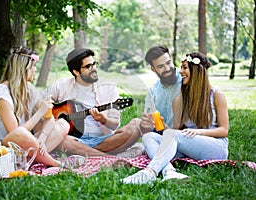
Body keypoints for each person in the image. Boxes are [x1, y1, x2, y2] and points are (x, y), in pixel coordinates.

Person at [121, 52, 229, 184]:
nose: (181, 72)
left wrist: (198, 132)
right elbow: (174, 131)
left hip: (215, 147)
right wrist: (160, 125)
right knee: (148, 137)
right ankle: (169, 172)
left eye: (185, 67)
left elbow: (224, 130)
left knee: (173, 135)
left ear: (196, 70)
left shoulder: (217, 95)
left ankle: (150, 172)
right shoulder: (179, 99)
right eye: (181, 68)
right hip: (190, 147)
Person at [0, 46, 85, 168]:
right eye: (33, 66)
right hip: (4, 148)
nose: (35, 70)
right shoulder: (2, 93)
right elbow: (15, 134)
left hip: (25, 147)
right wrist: (39, 113)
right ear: (23, 69)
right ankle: (58, 164)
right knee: (22, 133)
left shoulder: (28, 89)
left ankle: (31, 159)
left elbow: (50, 118)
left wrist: (42, 138)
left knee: (63, 124)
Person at [42, 48, 143, 157]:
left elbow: (114, 124)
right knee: (61, 139)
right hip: (72, 139)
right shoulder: (61, 86)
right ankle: (109, 158)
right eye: (88, 66)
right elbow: (39, 104)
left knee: (136, 125)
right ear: (76, 72)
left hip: (103, 140)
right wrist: (51, 120)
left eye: (94, 64)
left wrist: (103, 119)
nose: (93, 68)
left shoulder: (109, 88)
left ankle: (86, 153)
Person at [139, 45, 182, 135]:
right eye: (160, 66)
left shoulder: (186, 81)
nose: (167, 68)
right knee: (137, 125)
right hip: (162, 134)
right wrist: (145, 125)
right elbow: (149, 127)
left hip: (186, 135)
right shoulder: (153, 91)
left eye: (168, 62)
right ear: (153, 69)